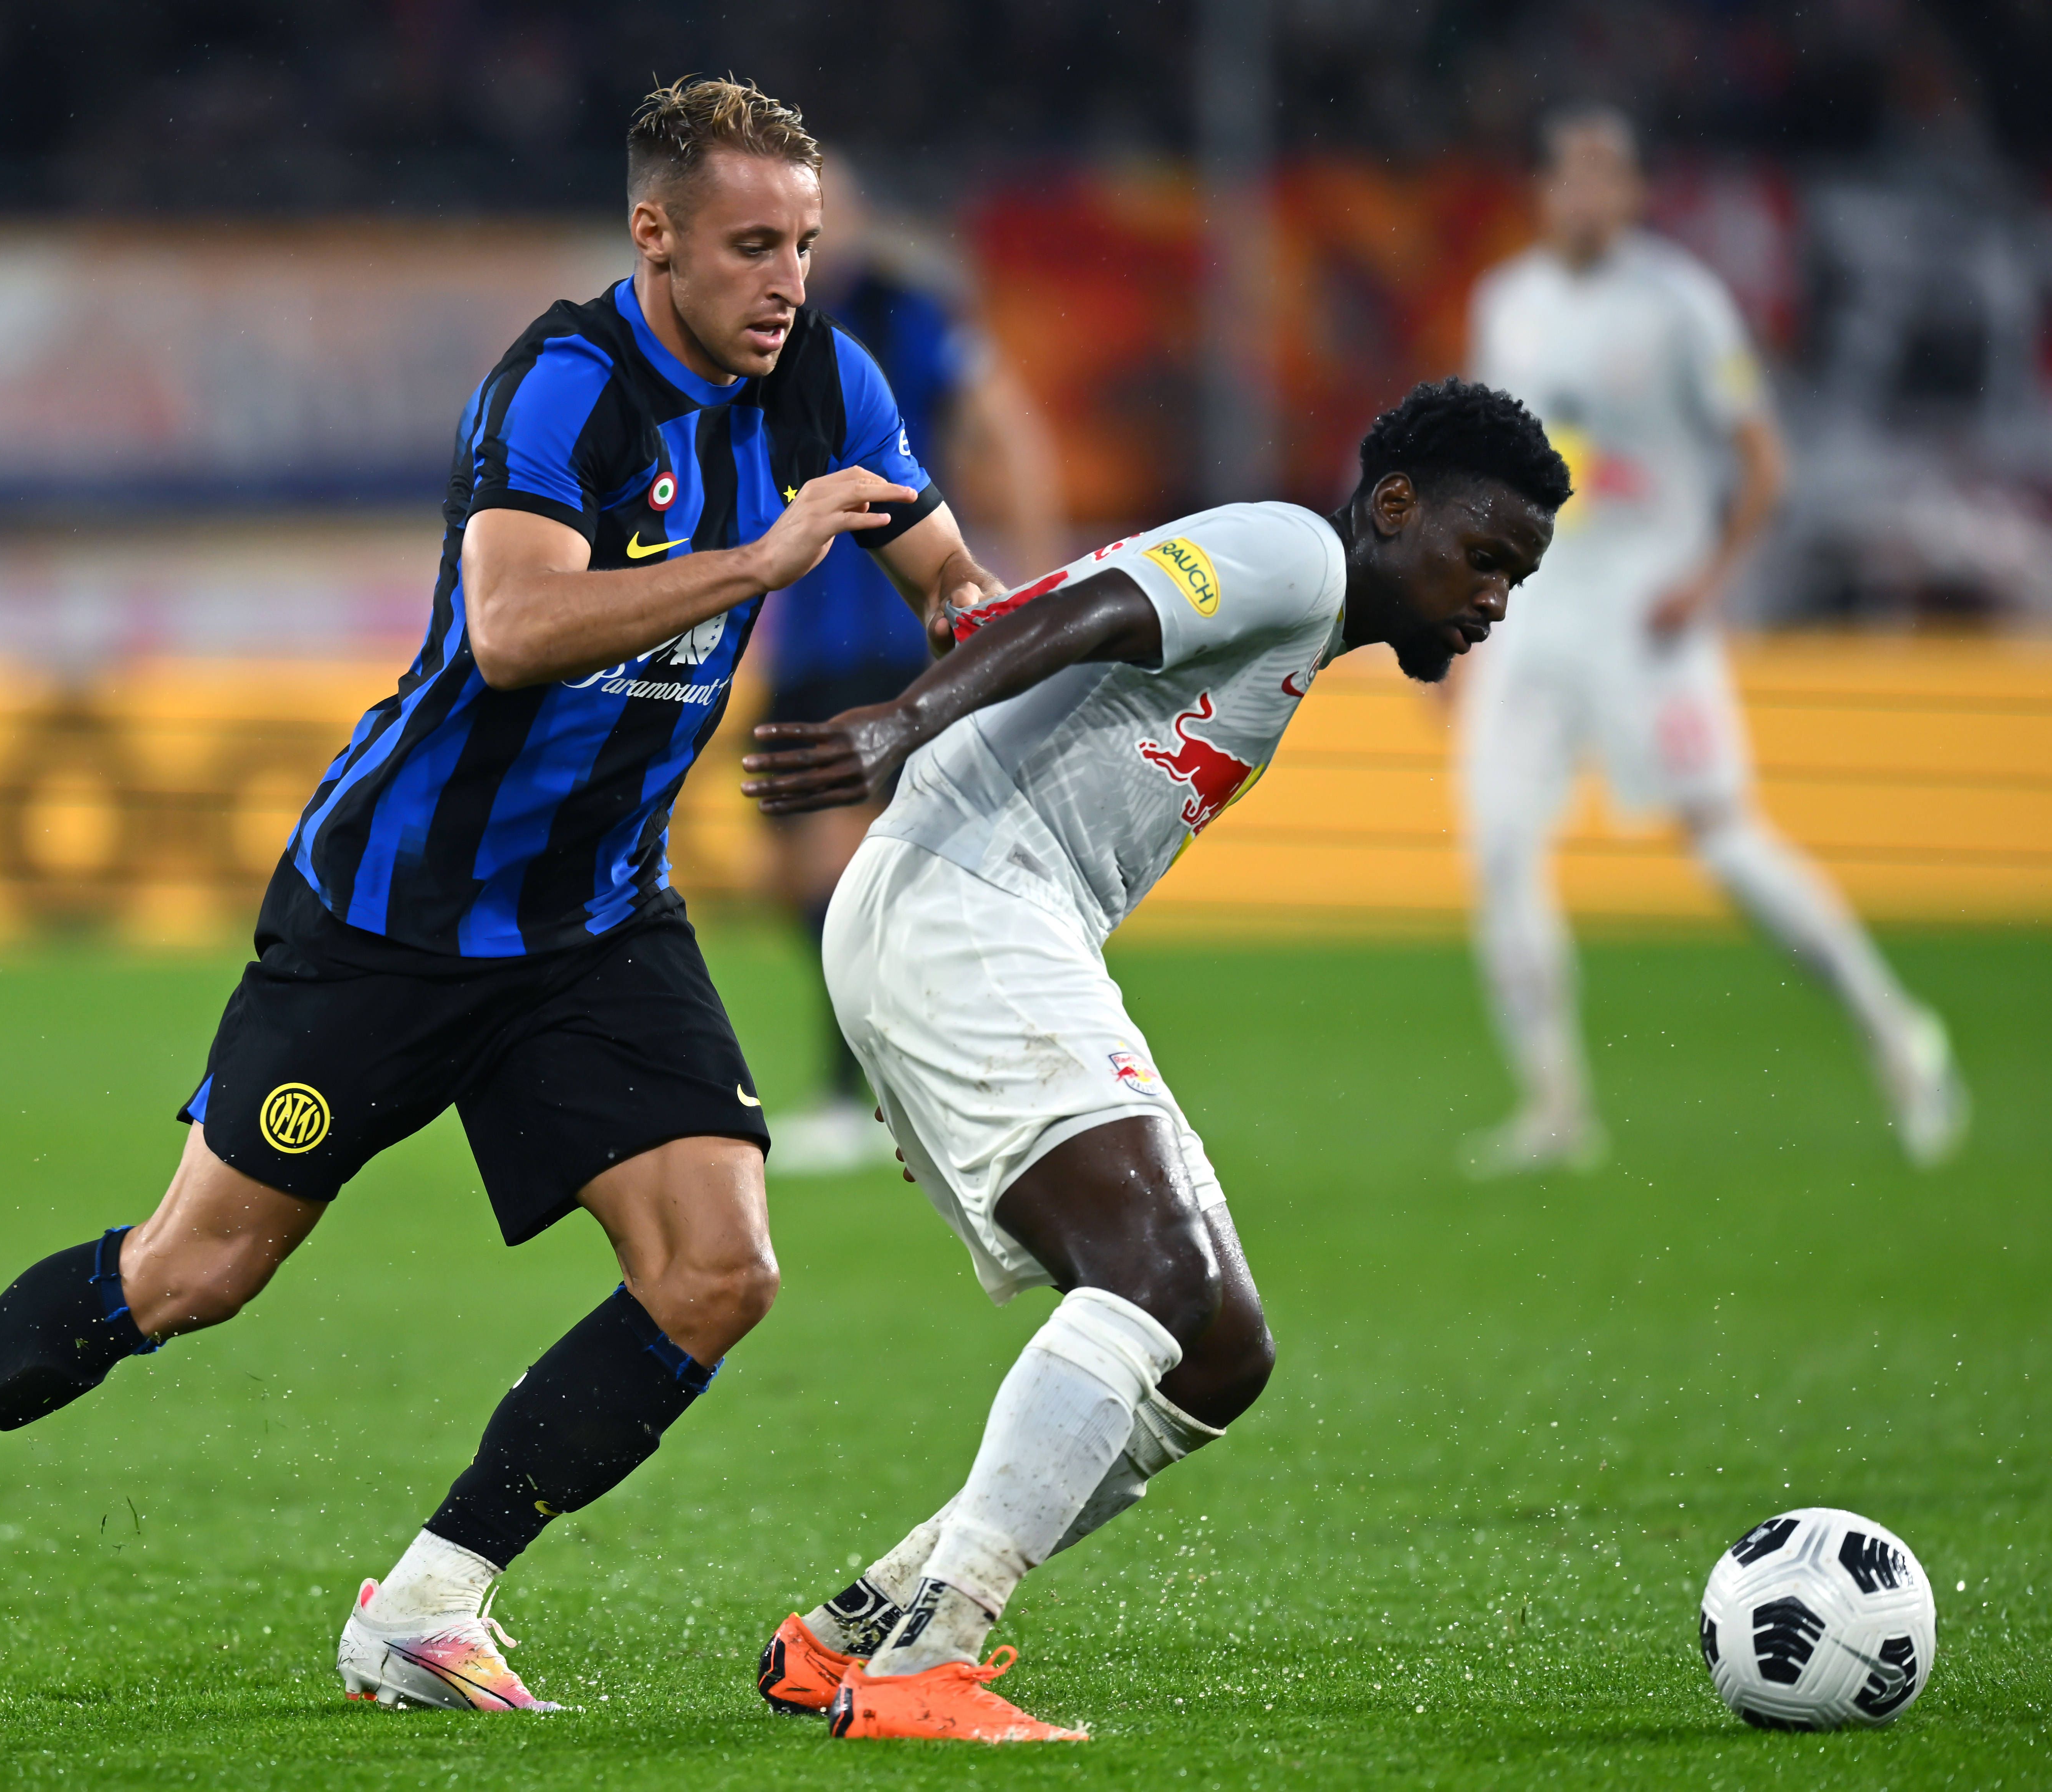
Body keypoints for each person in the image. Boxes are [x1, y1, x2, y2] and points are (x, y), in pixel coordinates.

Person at [0, 75, 1009, 1710]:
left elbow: (945, 572)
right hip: (394, 914)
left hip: (595, 917)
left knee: (718, 1269)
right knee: (193, 1274)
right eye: (751, 246)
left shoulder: (830, 380)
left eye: (806, 244)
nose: (788, 281)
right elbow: (514, 629)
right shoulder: (559, 387)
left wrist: (1007, 625)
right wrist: (759, 563)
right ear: (656, 235)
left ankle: (429, 1600)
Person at [738, 379, 1569, 1742]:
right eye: (1482, 558)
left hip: (986, 926)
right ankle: (929, 1661)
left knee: (1218, 1350)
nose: (1490, 602)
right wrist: (905, 720)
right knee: (1157, 1280)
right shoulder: (1295, 554)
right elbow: (1100, 609)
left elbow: (1084, 624)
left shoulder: (1298, 626)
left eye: (1514, 581)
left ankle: (859, 1628)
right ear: (1394, 506)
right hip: (966, 903)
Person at [1459, 105, 1966, 1177]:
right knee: (1499, 849)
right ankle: (1555, 1108)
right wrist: (1454, 618)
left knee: (1726, 846)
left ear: (1636, 192)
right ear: (1542, 190)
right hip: (1534, 619)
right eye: (1570, 174)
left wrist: (1704, 584)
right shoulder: (1506, 304)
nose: (1588, 194)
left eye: (1607, 174)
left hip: (1649, 619)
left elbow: (1764, 462)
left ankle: (1899, 1036)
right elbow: (1485, 475)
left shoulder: (1681, 304)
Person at [758, 162, 1065, 1173]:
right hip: (804, 639)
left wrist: (1036, 576)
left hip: (892, 634)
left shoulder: (908, 313)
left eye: (826, 216)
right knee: (798, 877)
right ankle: (918, 1079)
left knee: (845, 871)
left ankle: (862, 1098)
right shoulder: (760, 326)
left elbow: (1003, 423)